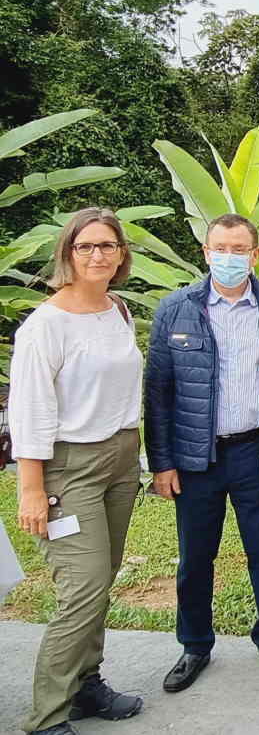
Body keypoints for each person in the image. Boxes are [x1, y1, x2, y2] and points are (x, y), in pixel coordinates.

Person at [145, 213, 259, 693]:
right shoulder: (176, 310)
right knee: (196, 556)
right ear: (205, 252)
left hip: (257, 452)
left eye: (239, 250)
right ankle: (194, 645)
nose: (228, 258)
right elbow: (158, 393)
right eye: (220, 248)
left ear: (255, 255)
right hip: (196, 459)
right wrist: (162, 462)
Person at [10, 208, 144, 735]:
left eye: (107, 246)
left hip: (120, 459)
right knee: (83, 587)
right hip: (70, 468)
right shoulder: (45, 326)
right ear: (68, 253)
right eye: (85, 246)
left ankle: (87, 684)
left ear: (121, 254)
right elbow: (31, 412)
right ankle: (47, 715)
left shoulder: (119, 310)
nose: (97, 255)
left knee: (102, 579)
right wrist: (32, 488)